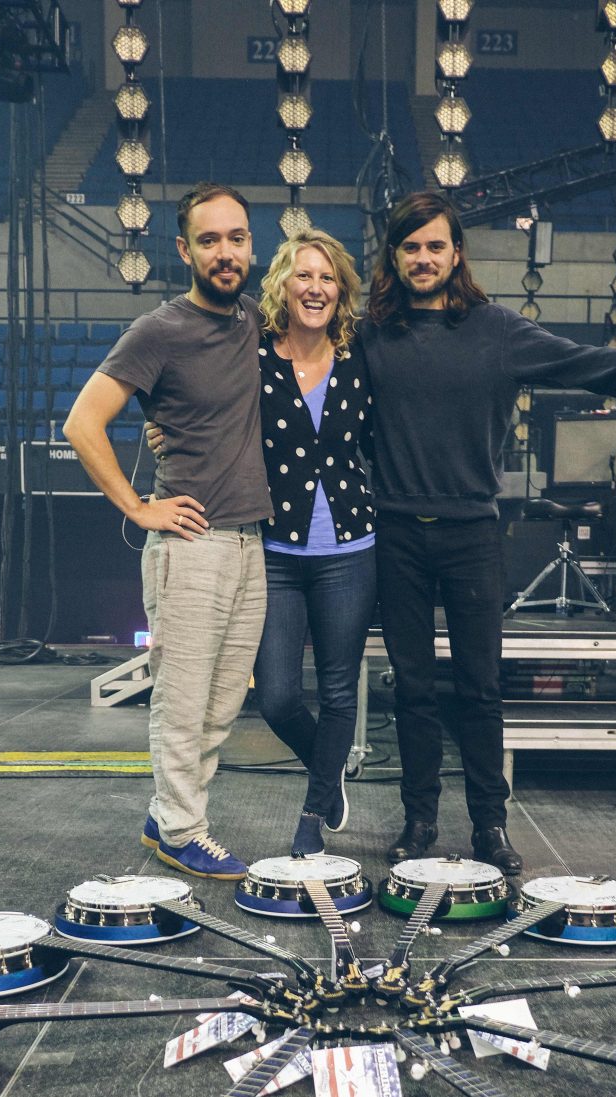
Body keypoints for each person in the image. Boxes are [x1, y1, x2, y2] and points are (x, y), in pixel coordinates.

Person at [360, 190, 616, 875]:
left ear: (457, 254)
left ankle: (489, 826)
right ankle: (419, 820)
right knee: (413, 689)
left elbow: (590, 363)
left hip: (472, 534)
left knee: (480, 687)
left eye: (435, 246)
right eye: (411, 246)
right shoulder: (369, 334)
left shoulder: (497, 330)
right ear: (394, 256)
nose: (423, 258)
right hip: (394, 535)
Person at [64, 182, 269, 879]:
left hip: (249, 544)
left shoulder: (254, 322)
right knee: (182, 703)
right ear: (185, 250)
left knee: (220, 705)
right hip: (190, 546)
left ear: (251, 243)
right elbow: (82, 423)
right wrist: (138, 506)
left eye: (235, 237)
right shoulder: (160, 329)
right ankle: (182, 830)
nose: (224, 251)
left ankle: (167, 815)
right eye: (208, 240)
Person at [150, 230, 376, 859]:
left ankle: (313, 813)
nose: (315, 287)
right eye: (303, 276)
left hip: (352, 549)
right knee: (276, 695)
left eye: (327, 277)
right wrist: (162, 428)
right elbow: (201, 402)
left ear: (341, 290)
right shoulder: (254, 354)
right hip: (276, 548)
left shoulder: (361, 358)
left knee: (336, 691)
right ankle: (329, 770)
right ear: (281, 284)